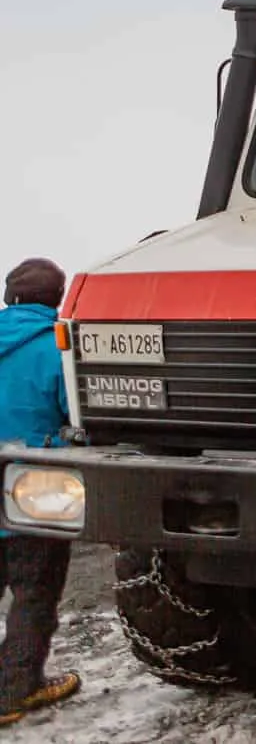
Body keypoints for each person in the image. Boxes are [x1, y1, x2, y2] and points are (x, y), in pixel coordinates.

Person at [0, 259, 80, 725]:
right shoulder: (58, 346)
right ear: (58, 297)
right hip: (36, 485)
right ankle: (14, 692)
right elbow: (77, 416)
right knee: (34, 591)